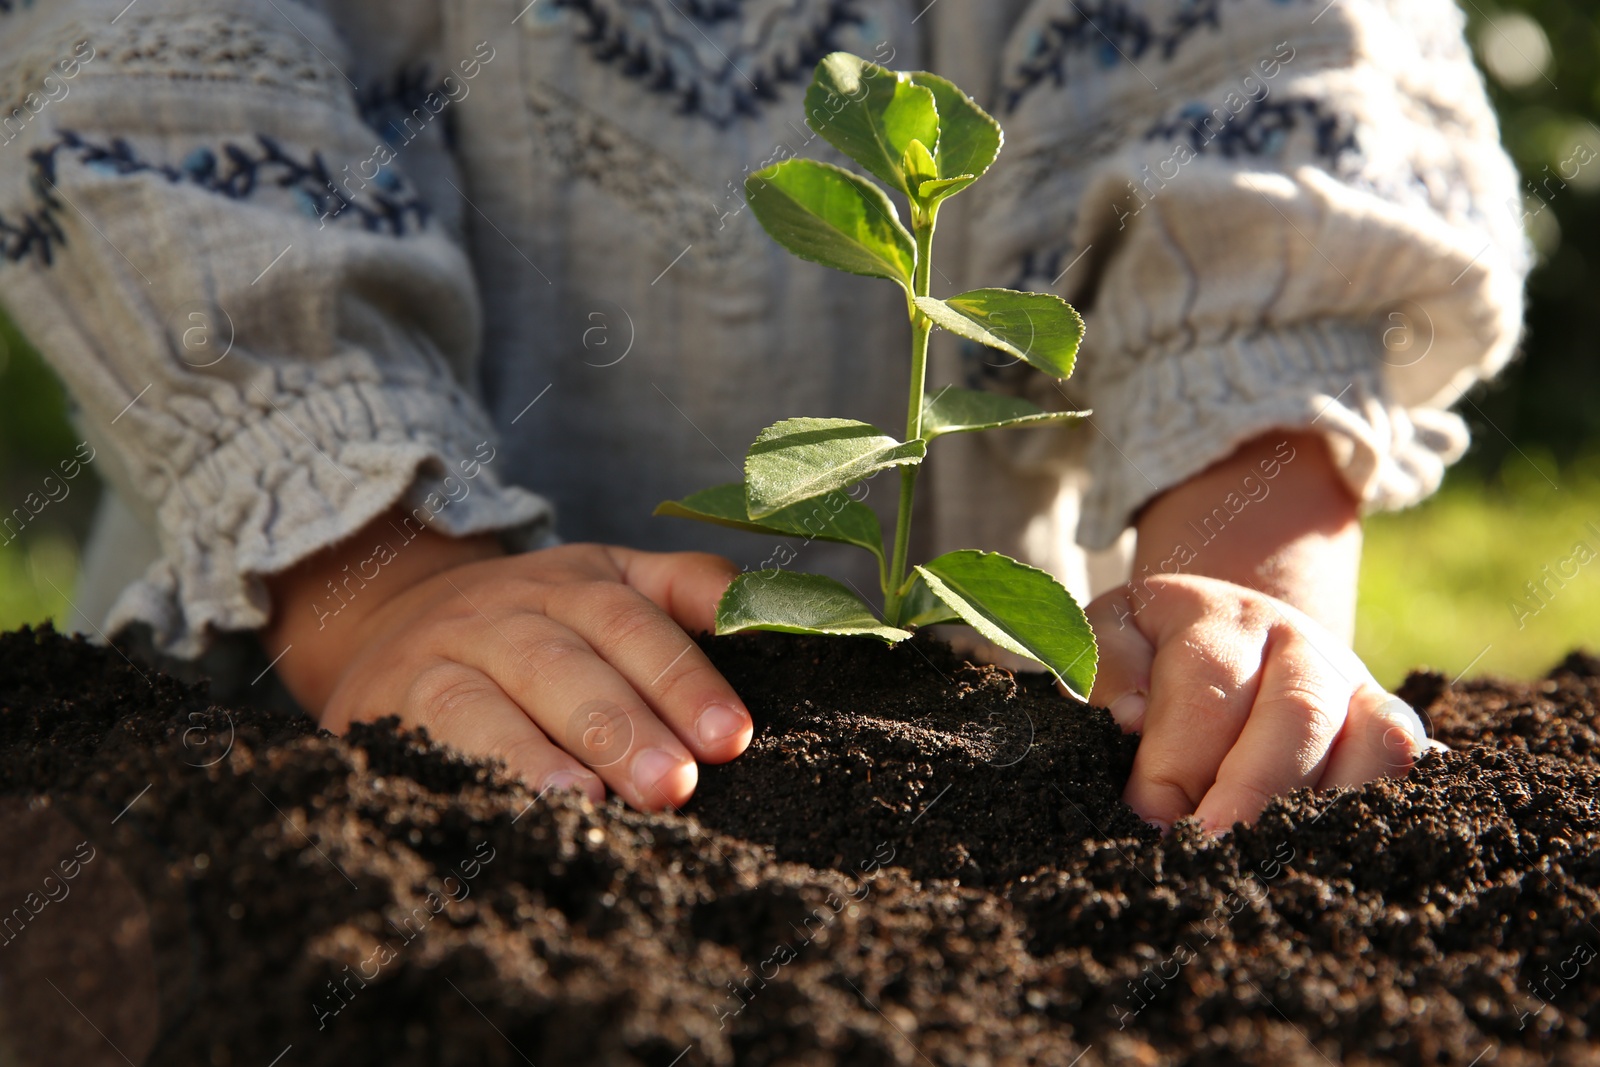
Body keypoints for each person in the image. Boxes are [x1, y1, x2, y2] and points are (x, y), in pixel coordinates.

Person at [0, 0, 1526, 834]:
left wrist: (1242, 601)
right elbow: (140, 94)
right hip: (294, 672)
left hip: (1002, 744)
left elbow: (1279, 95)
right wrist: (379, 581)